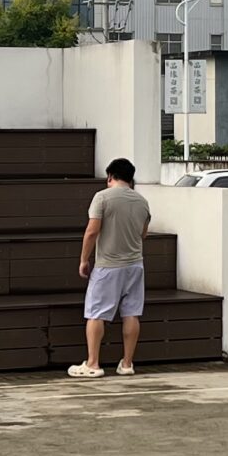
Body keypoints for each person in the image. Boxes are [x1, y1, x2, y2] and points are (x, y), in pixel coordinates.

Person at [71, 157, 152, 378]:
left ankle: (93, 364)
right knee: (132, 314)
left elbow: (92, 231)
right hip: (135, 265)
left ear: (110, 176)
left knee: (96, 313)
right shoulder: (142, 201)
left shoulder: (102, 198)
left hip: (108, 265)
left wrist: (83, 259)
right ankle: (127, 364)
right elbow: (143, 234)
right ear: (131, 178)